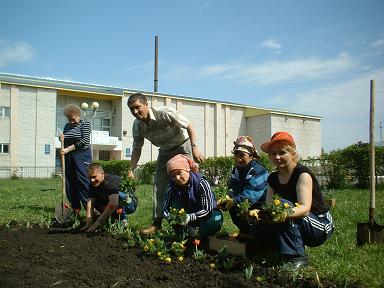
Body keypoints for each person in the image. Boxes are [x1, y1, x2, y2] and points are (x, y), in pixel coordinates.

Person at [248, 131, 334, 269]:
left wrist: (281, 213)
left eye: (282, 152)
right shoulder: (273, 178)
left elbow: (305, 209)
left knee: (282, 207)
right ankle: (274, 249)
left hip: (319, 224)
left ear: (293, 154)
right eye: (273, 153)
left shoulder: (302, 174)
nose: (277, 157)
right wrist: (259, 214)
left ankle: (297, 256)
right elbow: (270, 206)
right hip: (297, 219)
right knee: (258, 226)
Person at [127, 93, 205, 235]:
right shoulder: (137, 125)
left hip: (182, 146)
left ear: (146, 105)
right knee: (159, 185)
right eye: (131, 109)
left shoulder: (164, 113)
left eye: (137, 107)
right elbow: (137, 148)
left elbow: (189, 125)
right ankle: (157, 222)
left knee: (188, 183)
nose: (135, 112)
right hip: (164, 152)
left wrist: (194, 147)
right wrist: (131, 168)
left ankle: (194, 221)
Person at [217, 136, 269, 239]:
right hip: (244, 201)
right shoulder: (237, 170)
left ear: (251, 156)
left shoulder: (259, 171)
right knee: (232, 205)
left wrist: (234, 201)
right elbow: (232, 187)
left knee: (238, 205)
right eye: (236, 155)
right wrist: (227, 199)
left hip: (260, 206)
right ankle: (245, 232)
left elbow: (252, 194)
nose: (238, 158)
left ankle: (258, 234)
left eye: (242, 155)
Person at [163, 154, 223, 238]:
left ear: (187, 169)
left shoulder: (201, 183)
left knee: (210, 223)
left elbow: (208, 209)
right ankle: (184, 235)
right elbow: (165, 208)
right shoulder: (171, 187)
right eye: (173, 176)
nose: (177, 177)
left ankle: (208, 237)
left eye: (179, 173)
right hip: (189, 213)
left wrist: (189, 217)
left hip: (208, 214)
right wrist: (171, 218)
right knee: (174, 207)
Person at [81, 163, 138, 233]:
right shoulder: (93, 184)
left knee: (118, 196)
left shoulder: (111, 181)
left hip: (130, 203)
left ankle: (122, 219)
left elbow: (114, 203)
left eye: (94, 177)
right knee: (91, 200)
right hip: (112, 202)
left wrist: (98, 222)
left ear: (102, 173)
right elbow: (90, 203)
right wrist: (88, 223)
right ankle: (108, 218)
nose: (92, 180)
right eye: (90, 178)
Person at [60, 104, 92, 214]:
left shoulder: (85, 123)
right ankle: (75, 208)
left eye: (73, 119)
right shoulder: (67, 126)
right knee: (70, 182)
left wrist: (68, 149)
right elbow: (66, 138)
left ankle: (89, 208)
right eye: (69, 120)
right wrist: (62, 138)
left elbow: (85, 141)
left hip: (82, 155)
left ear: (78, 115)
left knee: (83, 181)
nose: (71, 122)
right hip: (69, 156)